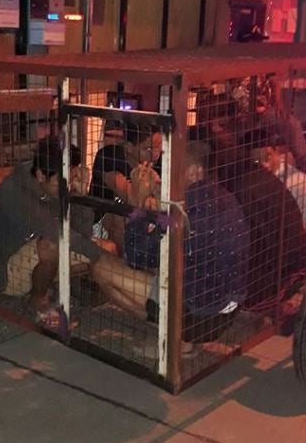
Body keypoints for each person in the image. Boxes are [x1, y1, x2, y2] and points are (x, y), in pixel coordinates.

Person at [92, 138, 250, 343]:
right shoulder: (224, 197)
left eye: (173, 170)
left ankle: (176, 342)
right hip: (227, 308)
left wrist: (137, 202)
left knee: (102, 268)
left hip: (197, 315)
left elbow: (134, 256)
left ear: (194, 172)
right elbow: (172, 226)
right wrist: (160, 199)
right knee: (160, 261)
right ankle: (174, 336)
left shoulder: (183, 212)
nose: (167, 175)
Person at [0, 135, 114, 330]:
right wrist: (100, 256)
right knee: (52, 246)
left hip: (36, 248)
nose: (67, 185)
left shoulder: (53, 182)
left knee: (108, 246)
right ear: (41, 175)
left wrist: (80, 195)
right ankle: (39, 303)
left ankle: (77, 289)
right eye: (63, 181)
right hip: (6, 271)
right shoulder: (16, 191)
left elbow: (82, 232)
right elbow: (56, 233)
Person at [233, 128, 306, 308]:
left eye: (267, 157)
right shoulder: (272, 178)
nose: (264, 164)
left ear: (274, 153)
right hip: (301, 233)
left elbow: (295, 229)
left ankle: (283, 291)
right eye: (256, 160)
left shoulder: (291, 183)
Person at [89, 123, 163, 251]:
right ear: (129, 147)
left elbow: (167, 202)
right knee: (123, 216)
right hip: (101, 224)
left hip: (147, 219)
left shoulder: (159, 162)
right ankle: (128, 264)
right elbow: (131, 200)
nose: (156, 154)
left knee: (170, 222)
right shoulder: (110, 157)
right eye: (149, 149)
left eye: (159, 147)